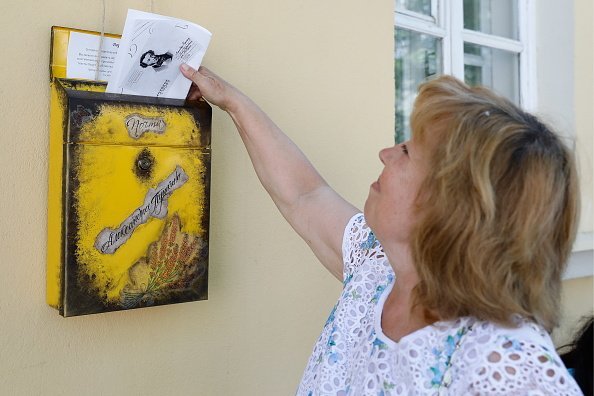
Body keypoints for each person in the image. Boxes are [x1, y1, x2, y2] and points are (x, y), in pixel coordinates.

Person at [180, 64, 583, 395]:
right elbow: (304, 194)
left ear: (452, 203)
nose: (386, 154)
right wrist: (231, 101)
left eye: (406, 152)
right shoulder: (378, 268)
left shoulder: (511, 370)